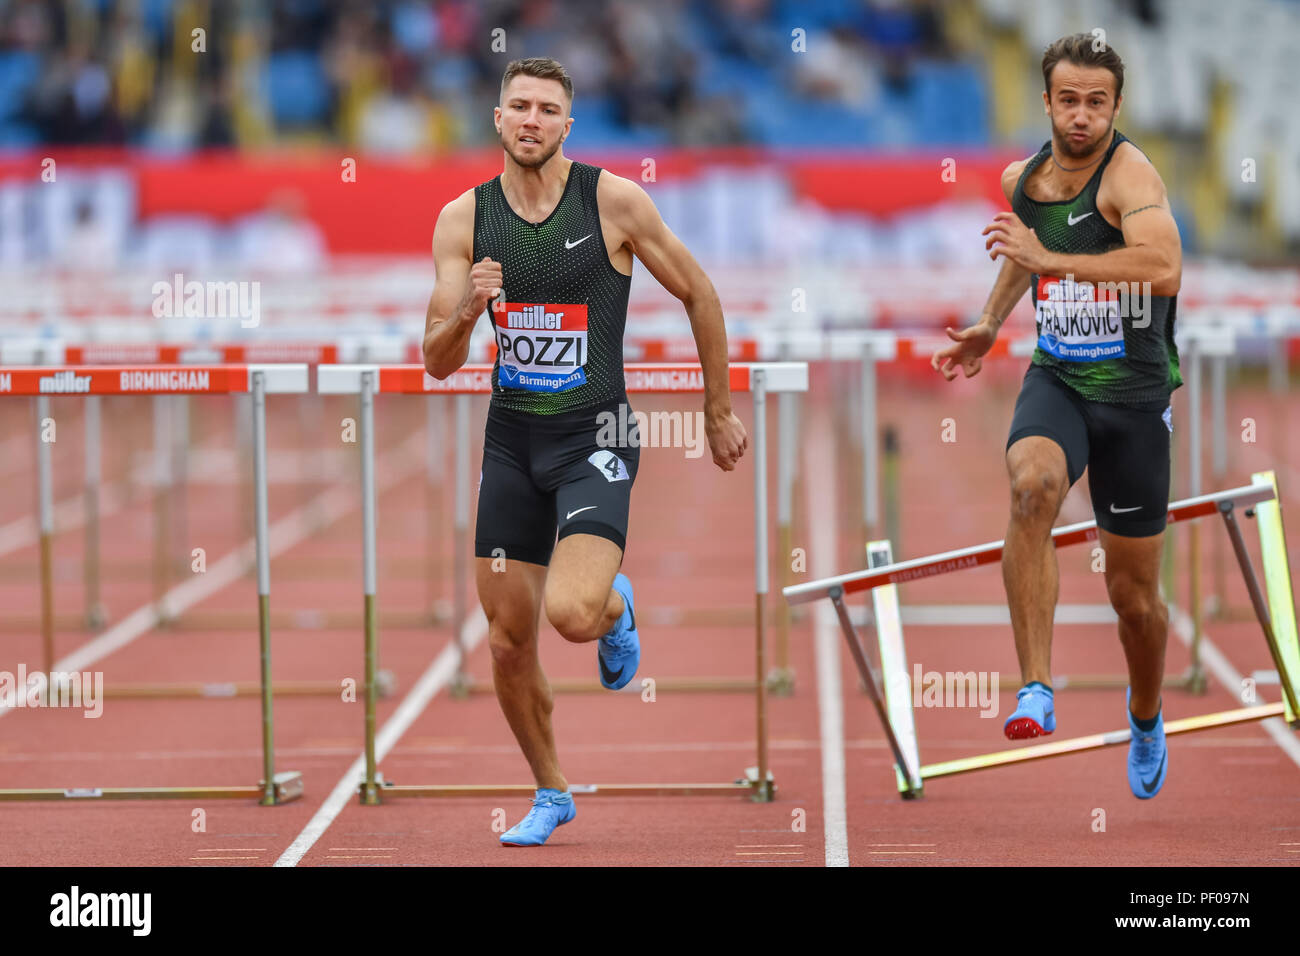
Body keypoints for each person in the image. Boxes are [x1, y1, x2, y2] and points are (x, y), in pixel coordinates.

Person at [422, 57, 748, 844]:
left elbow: (700, 291)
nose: (531, 120)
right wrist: (469, 309)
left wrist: (716, 409)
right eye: (519, 106)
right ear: (497, 119)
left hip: (596, 435)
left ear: (568, 124)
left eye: (548, 109)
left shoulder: (613, 201)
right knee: (504, 640)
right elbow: (435, 359)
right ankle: (551, 790)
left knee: (570, 615)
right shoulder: (463, 220)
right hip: (512, 442)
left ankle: (615, 605)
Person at [930, 34, 1182, 799]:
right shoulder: (1024, 177)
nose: (1081, 116)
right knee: (1032, 486)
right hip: (1060, 381)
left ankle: (1145, 711)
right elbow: (1022, 253)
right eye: (1068, 100)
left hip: (1134, 400)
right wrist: (989, 322)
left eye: (1096, 102)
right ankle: (1035, 686)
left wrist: (1054, 264)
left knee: (1134, 601)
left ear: (1116, 106)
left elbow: (1163, 265)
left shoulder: (1129, 174)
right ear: (1045, 101)